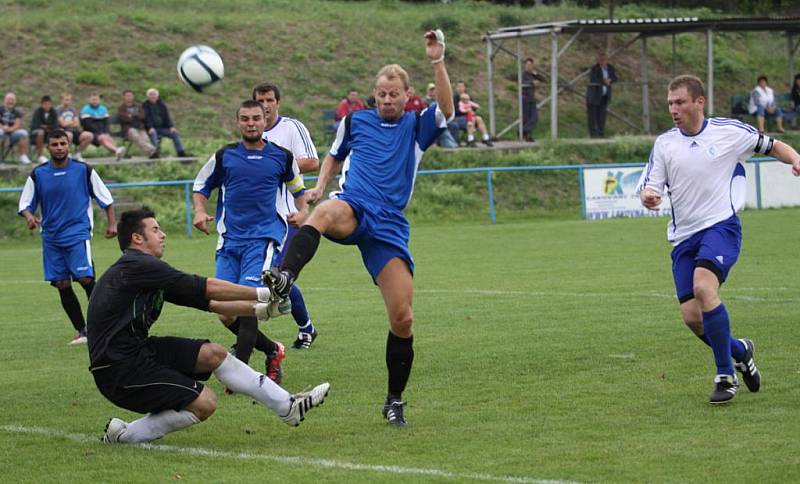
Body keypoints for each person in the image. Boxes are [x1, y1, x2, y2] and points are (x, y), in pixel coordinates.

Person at [263, 30, 454, 427]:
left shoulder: (417, 126)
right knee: (326, 213)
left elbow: (447, 109)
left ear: (407, 95)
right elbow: (333, 157)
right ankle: (284, 277)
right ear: (375, 94)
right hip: (354, 204)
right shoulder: (355, 121)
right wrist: (318, 188)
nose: (386, 100)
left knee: (403, 318)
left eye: (394, 94)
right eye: (381, 94)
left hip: (389, 225)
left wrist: (438, 59)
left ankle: (394, 400)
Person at [88, 207, 329, 444]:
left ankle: (289, 407)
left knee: (213, 354)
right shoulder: (137, 265)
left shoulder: (143, 271)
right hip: (118, 369)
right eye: (155, 229)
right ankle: (125, 436)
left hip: (136, 351)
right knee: (205, 403)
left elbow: (208, 302)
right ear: (137, 238)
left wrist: (260, 310)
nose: (163, 235)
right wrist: (264, 293)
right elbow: (205, 287)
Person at [637, 75, 800, 404]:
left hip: (721, 227)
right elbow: (650, 183)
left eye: (680, 102)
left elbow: (771, 145)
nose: (674, 109)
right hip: (683, 237)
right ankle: (740, 351)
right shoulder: (665, 144)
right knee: (692, 317)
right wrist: (649, 196)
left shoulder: (729, 131)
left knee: (703, 287)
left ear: (699, 102)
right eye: (670, 103)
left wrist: (795, 158)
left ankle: (725, 375)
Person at [193, 100, 308, 383]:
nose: (251, 123)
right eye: (245, 119)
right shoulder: (225, 156)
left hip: (263, 237)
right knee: (222, 308)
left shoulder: (281, 156)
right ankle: (272, 349)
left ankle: (240, 373)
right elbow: (200, 186)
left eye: (256, 118)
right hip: (229, 240)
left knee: (247, 299)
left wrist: (303, 211)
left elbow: (298, 189)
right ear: (238, 122)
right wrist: (199, 210)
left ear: (265, 120)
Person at [17, 129, 117, 345]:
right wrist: (29, 217)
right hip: (51, 237)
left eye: (63, 143)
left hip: (77, 232)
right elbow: (25, 204)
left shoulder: (83, 170)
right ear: (48, 147)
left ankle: (104, 325)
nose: (59, 148)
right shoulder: (38, 174)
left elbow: (106, 199)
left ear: (69, 145)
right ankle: (82, 331)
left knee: (85, 278)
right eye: (55, 144)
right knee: (62, 283)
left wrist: (112, 224)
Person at [253, 82, 321, 349]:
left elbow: (312, 161)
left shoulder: (291, 128)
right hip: (257, 220)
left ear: (277, 102)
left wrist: (276, 162)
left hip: (288, 216)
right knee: (262, 277)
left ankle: (305, 329)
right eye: (261, 100)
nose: (266, 104)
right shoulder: (251, 133)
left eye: (270, 99)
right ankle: (304, 328)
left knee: (278, 275)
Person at [143, 88, 190, 158]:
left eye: (154, 95)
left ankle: (181, 153)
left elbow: (167, 117)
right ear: (148, 96)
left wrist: (171, 126)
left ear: (157, 96)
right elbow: (146, 118)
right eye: (150, 95)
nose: (152, 96)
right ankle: (155, 153)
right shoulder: (145, 105)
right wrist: (150, 127)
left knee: (175, 134)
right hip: (151, 129)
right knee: (153, 134)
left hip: (162, 128)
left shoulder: (162, 105)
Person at [80, 93, 126, 160]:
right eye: (93, 99)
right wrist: (100, 133)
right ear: (89, 100)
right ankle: (117, 150)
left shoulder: (103, 109)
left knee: (107, 137)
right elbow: (88, 125)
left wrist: (107, 132)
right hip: (90, 133)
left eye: (96, 99)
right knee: (102, 138)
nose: (95, 101)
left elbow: (106, 123)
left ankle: (117, 152)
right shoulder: (86, 109)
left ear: (99, 100)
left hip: (102, 132)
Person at [448, 81, 492, 147]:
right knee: (472, 119)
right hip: (458, 118)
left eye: (462, 86)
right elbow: (455, 111)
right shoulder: (454, 98)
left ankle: (485, 138)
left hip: (469, 117)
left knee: (479, 119)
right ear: (456, 88)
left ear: (464, 88)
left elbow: (473, 107)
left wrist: (473, 110)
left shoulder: (468, 97)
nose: (460, 88)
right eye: (459, 87)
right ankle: (470, 139)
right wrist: (466, 111)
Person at [118, 89, 158, 158]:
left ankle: (152, 153)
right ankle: (153, 150)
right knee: (136, 136)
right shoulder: (121, 107)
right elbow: (124, 118)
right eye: (127, 96)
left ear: (133, 96)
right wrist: (135, 115)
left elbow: (143, 116)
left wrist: (131, 115)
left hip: (140, 128)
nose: (129, 97)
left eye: (130, 95)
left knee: (146, 139)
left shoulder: (138, 106)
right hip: (128, 129)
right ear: (124, 97)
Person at [586, 52, 617, 138]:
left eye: (604, 60)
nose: (602, 61)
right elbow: (594, 78)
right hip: (594, 96)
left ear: (606, 60)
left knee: (602, 115)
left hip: (604, 96)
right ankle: (592, 134)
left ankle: (601, 133)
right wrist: (604, 81)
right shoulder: (594, 68)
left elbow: (615, 78)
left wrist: (610, 80)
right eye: (600, 60)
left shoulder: (610, 68)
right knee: (593, 116)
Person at [56, 93, 93, 162]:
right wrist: (72, 122)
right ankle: (67, 155)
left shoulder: (72, 109)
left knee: (89, 135)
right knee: (69, 135)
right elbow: (63, 124)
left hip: (75, 131)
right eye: (66, 100)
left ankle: (77, 154)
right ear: (62, 100)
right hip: (63, 131)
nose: (68, 101)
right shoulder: (58, 110)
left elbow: (77, 123)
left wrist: (69, 123)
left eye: (69, 100)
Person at [0, 92, 32, 164]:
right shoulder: (0, 109)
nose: (10, 101)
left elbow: (17, 124)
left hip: (12, 133)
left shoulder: (17, 112)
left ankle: (23, 156)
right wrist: (3, 127)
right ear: (5, 100)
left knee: (24, 133)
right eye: (9, 99)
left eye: (12, 100)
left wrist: (9, 129)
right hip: (1, 130)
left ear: (15, 101)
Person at [521, 57, 546, 142]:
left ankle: (524, 131)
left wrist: (536, 74)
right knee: (526, 118)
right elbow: (522, 82)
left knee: (534, 117)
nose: (529, 67)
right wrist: (532, 83)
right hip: (525, 97)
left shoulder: (533, 74)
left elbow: (543, 79)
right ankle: (525, 134)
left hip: (532, 98)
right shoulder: (523, 74)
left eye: (531, 65)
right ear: (525, 65)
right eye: (527, 65)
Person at [30, 95, 60, 163]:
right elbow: (35, 124)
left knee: (60, 132)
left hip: (49, 133)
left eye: (48, 104)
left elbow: (56, 125)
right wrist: (47, 127)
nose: (47, 106)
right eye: (45, 104)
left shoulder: (54, 112)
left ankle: (58, 155)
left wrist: (45, 127)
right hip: (36, 134)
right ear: (42, 104)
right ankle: (40, 156)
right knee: (41, 132)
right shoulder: (37, 111)